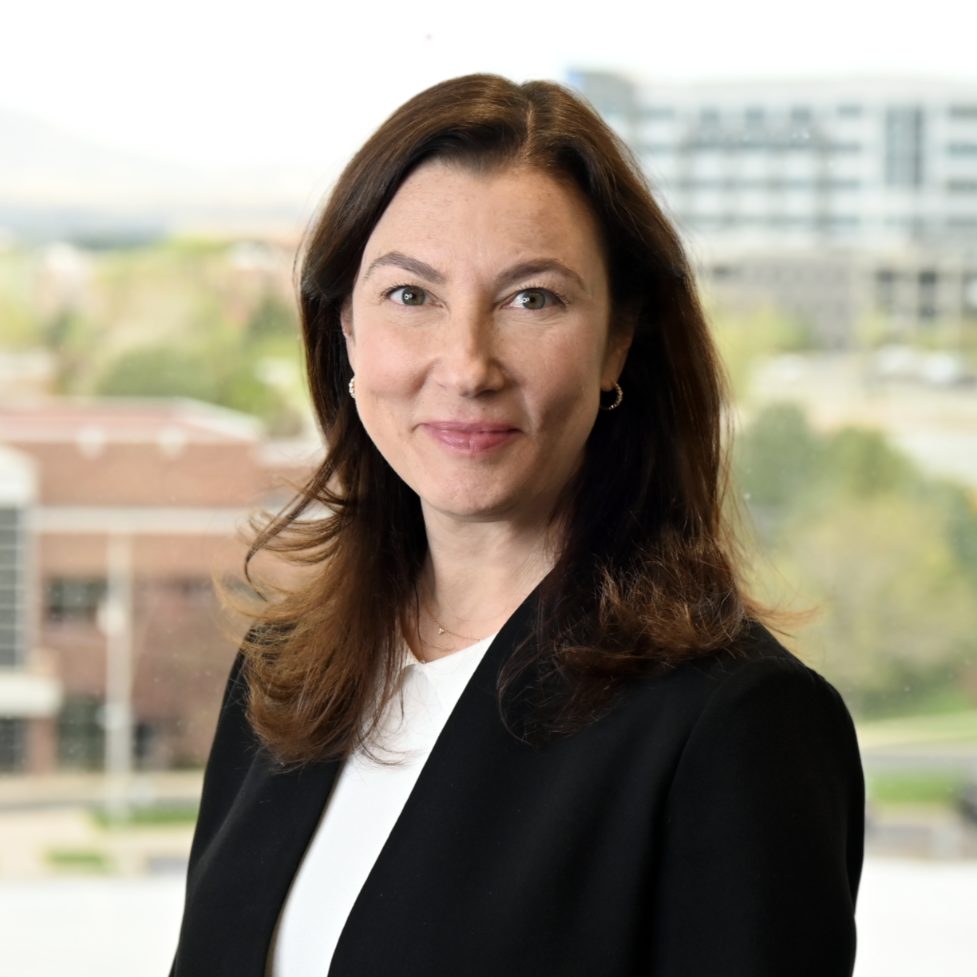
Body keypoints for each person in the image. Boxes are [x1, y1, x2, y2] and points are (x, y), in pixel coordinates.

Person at [171, 74, 864, 977]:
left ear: (619, 339)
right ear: (344, 328)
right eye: (410, 296)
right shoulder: (283, 674)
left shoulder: (737, 727)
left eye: (532, 298)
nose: (466, 365)